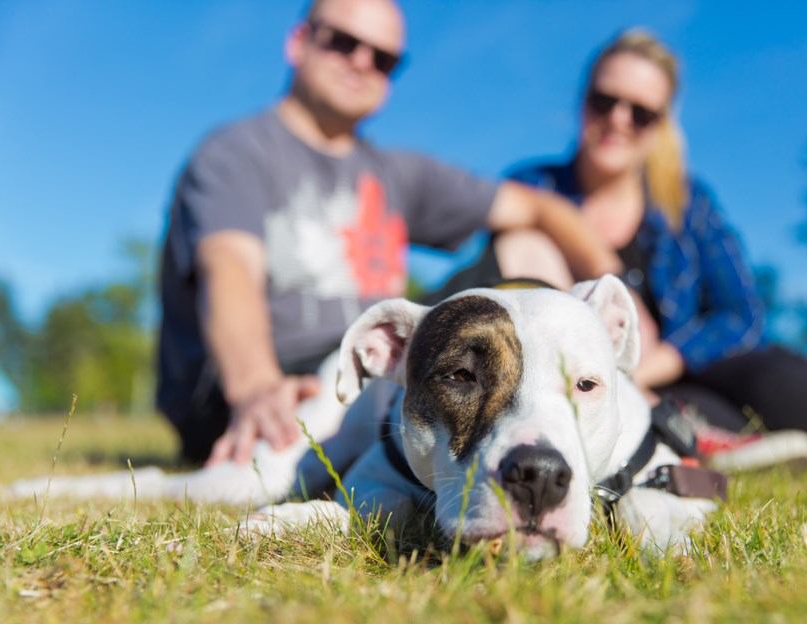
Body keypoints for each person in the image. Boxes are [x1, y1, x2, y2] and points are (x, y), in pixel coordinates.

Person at [156, 0, 619, 467]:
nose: (361, 62)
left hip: (383, 374)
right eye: (342, 42)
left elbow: (542, 208)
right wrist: (254, 387)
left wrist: (620, 291)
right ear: (299, 42)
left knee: (527, 246)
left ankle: (565, 433)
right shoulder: (235, 153)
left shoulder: (398, 173)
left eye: (383, 59)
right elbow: (229, 272)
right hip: (276, 378)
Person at [498, 29, 807, 470]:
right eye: (605, 100)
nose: (619, 119)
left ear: (660, 126)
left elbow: (741, 313)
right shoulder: (533, 188)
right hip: (610, 384)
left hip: (701, 362)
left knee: (782, 381)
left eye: (641, 112)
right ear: (583, 99)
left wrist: (659, 361)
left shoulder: (688, 202)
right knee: (701, 419)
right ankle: (745, 448)